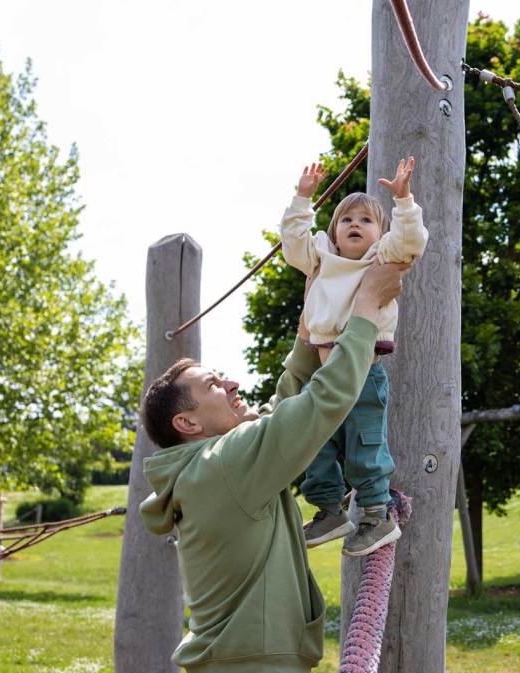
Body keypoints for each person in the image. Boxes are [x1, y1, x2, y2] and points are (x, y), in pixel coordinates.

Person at [137, 262, 408, 673]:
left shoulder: (210, 467)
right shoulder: (223, 464)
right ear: (188, 424)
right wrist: (366, 307)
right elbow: (323, 400)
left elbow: (282, 408)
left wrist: (311, 321)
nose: (231, 385)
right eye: (213, 385)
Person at [279, 156, 428, 556]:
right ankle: (329, 510)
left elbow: (412, 241)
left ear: (379, 233)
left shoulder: (379, 257)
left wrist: (403, 200)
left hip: (363, 372)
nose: (355, 225)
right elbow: (293, 243)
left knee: (364, 446)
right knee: (316, 445)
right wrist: (302, 198)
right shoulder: (322, 258)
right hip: (323, 376)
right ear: (334, 232)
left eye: (365, 220)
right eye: (346, 220)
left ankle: (376, 516)